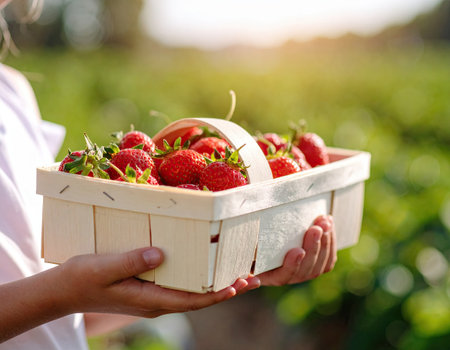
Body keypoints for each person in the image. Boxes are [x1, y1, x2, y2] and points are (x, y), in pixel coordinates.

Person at [0, 1, 337, 348]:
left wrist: (224, 267)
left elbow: (60, 319)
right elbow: (56, 297)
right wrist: (62, 293)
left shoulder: (14, 94)